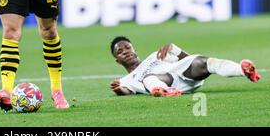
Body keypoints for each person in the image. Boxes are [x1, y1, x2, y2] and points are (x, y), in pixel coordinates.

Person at [109, 36, 260, 97]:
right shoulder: (126, 80)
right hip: (164, 83)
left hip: (181, 74)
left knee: (203, 61)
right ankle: (164, 91)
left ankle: (243, 70)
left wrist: (175, 49)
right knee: (149, 78)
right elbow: (126, 91)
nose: (126, 52)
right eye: (120, 52)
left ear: (135, 50)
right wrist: (119, 89)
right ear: (117, 60)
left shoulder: (156, 55)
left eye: (128, 48)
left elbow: (187, 60)